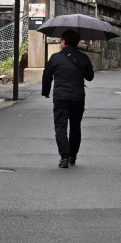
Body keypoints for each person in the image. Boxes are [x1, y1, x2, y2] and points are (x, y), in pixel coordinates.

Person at [41, 29, 94, 168]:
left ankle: (64, 157)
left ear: (63, 42)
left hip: (61, 97)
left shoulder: (55, 58)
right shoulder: (83, 57)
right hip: (78, 97)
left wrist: (46, 91)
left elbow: (46, 76)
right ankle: (72, 155)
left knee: (60, 126)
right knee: (75, 126)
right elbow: (90, 77)